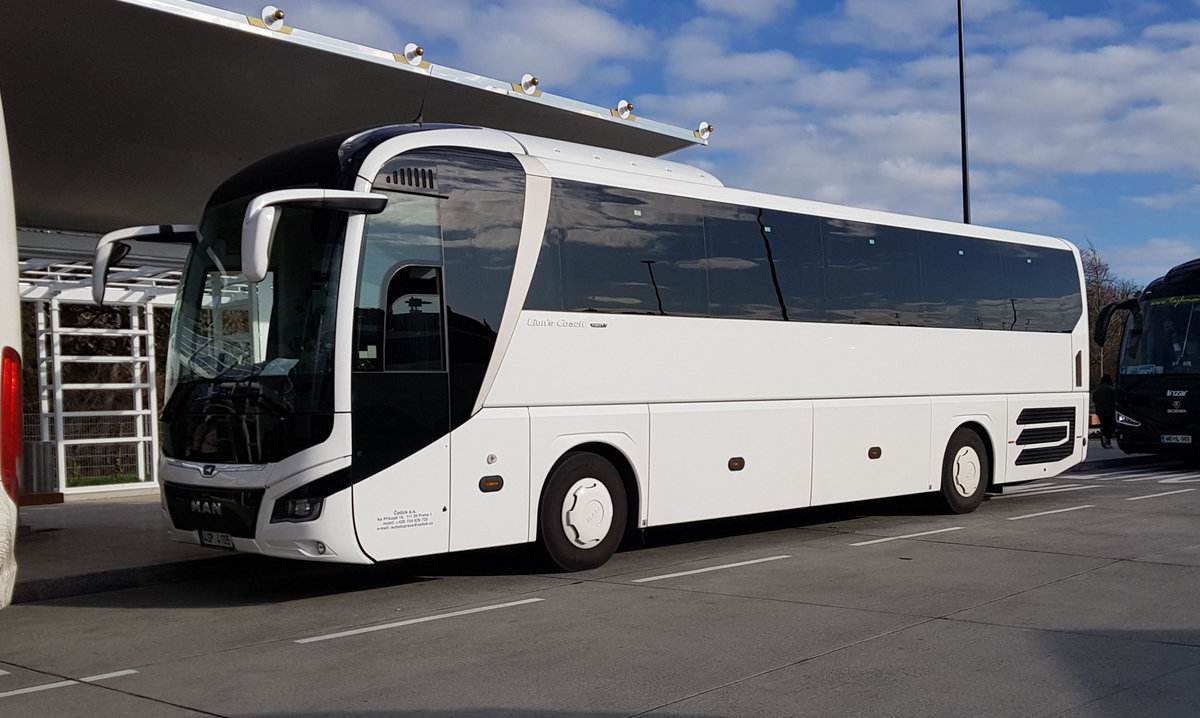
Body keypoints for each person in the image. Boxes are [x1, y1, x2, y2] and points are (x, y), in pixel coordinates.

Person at [1092, 375, 1116, 448]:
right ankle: (1106, 438)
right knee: (1112, 426)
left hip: (1099, 411)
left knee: (1104, 425)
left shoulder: (1097, 390)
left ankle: (1106, 440)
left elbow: (1094, 399)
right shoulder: (1112, 390)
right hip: (1109, 411)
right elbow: (1115, 400)